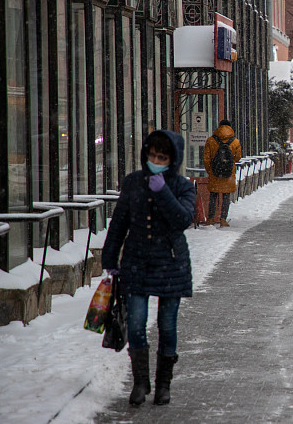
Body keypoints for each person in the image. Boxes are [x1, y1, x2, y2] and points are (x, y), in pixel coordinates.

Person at [101, 130, 195, 406]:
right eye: (152, 155)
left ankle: (164, 385)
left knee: (167, 326)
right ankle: (141, 383)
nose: (155, 160)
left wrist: (163, 191)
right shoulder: (133, 183)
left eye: (162, 157)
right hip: (137, 263)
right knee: (137, 324)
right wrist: (110, 260)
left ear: (172, 160)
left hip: (171, 265)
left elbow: (182, 219)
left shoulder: (182, 186)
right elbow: (119, 222)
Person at [202, 119, 242, 227]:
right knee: (226, 196)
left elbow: (206, 158)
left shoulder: (211, 140)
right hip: (228, 173)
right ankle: (223, 219)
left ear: (219, 127)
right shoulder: (235, 141)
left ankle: (210, 218)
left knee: (213, 195)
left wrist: (210, 170)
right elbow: (237, 158)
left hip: (215, 172)